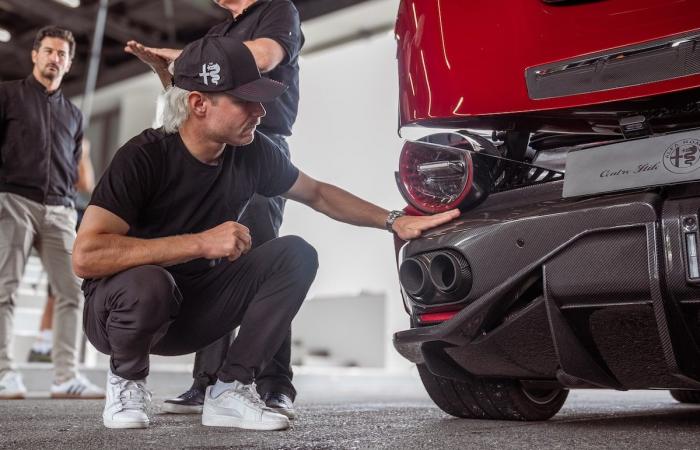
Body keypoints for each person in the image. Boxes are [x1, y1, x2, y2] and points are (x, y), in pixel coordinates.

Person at [73, 36, 457, 430]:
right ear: (198, 104)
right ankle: (127, 382)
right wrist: (200, 243)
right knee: (149, 282)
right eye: (243, 101)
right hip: (123, 316)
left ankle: (230, 390)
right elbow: (86, 256)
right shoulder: (143, 157)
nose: (260, 110)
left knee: (295, 254)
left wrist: (394, 220)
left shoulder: (252, 151)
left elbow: (319, 194)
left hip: (196, 312)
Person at [124, 0, 304, 417]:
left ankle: (275, 384)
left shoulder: (277, 11)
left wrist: (186, 56)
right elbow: (188, 89)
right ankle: (206, 383)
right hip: (215, 149)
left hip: (258, 145)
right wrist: (163, 67)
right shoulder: (214, 35)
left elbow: (264, 55)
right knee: (210, 260)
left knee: (263, 263)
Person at [0, 26, 104, 399]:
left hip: (60, 210)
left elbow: (79, 174)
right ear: (35, 55)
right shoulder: (7, 95)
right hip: (14, 200)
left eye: (62, 53)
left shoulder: (74, 116)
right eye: (48, 51)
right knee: (3, 290)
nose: (54, 58)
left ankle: (65, 377)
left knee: (72, 293)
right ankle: (3, 373)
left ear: (69, 62)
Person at [28, 139, 96, 364]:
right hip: (60, 212)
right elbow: (86, 182)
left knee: (57, 285)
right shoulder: (74, 142)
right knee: (65, 282)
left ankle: (43, 340)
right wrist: (84, 155)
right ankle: (45, 341)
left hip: (37, 207)